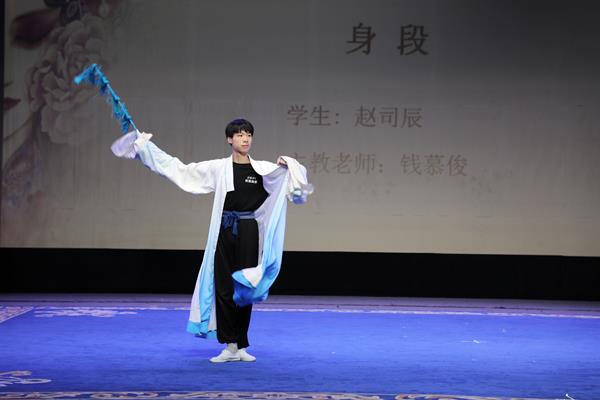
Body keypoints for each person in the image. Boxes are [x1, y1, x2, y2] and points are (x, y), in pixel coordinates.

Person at [112, 118, 311, 363]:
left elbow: (297, 186)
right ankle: (230, 346)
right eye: (239, 134)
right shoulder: (219, 168)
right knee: (224, 288)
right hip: (224, 231)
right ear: (229, 139)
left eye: (248, 134)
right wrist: (145, 147)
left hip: (249, 230)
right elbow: (181, 170)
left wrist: (289, 164)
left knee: (245, 289)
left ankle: (241, 345)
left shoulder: (263, 169)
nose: (245, 139)